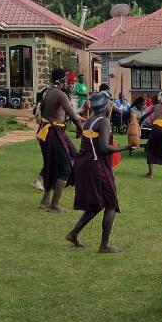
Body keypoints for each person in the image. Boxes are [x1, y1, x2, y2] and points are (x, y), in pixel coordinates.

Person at [65, 91, 133, 252]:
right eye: (110, 102)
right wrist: (125, 147)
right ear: (105, 105)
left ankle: (73, 233)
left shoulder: (90, 121)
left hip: (85, 164)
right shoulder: (103, 122)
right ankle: (104, 245)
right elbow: (103, 147)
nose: (112, 104)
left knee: (97, 204)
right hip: (96, 166)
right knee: (110, 203)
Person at [38, 69, 84, 212]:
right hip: (53, 133)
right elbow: (73, 115)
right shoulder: (60, 94)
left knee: (52, 165)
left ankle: (45, 200)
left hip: (48, 132)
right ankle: (54, 205)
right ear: (61, 80)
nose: (68, 83)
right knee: (65, 168)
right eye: (67, 80)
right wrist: (82, 131)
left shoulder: (48, 92)